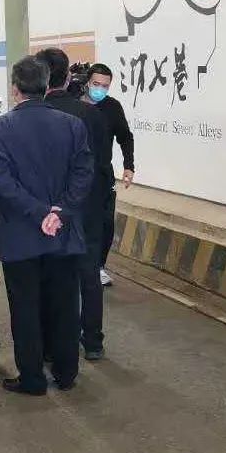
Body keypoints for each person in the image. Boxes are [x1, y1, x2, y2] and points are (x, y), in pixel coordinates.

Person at [0, 57, 93, 395]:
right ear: (47, 87)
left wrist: (38, 213)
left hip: (20, 233)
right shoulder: (72, 125)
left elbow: (3, 181)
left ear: (14, 89)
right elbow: (83, 173)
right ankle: (66, 372)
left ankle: (32, 378)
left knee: (25, 307)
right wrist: (59, 213)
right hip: (63, 232)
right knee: (65, 304)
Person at [38, 49, 113, 360]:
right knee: (89, 275)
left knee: (51, 277)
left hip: (48, 209)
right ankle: (92, 341)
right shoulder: (90, 114)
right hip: (87, 206)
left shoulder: (34, 114)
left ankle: (51, 345)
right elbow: (103, 162)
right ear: (68, 76)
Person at [85, 63, 135, 287]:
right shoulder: (75, 105)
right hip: (77, 175)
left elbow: (125, 137)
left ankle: (98, 267)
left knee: (106, 223)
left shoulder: (112, 107)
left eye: (105, 86)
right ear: (88, 82)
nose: (100, 89)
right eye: (96, 84)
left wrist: (128, 166)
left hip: (103, 174)